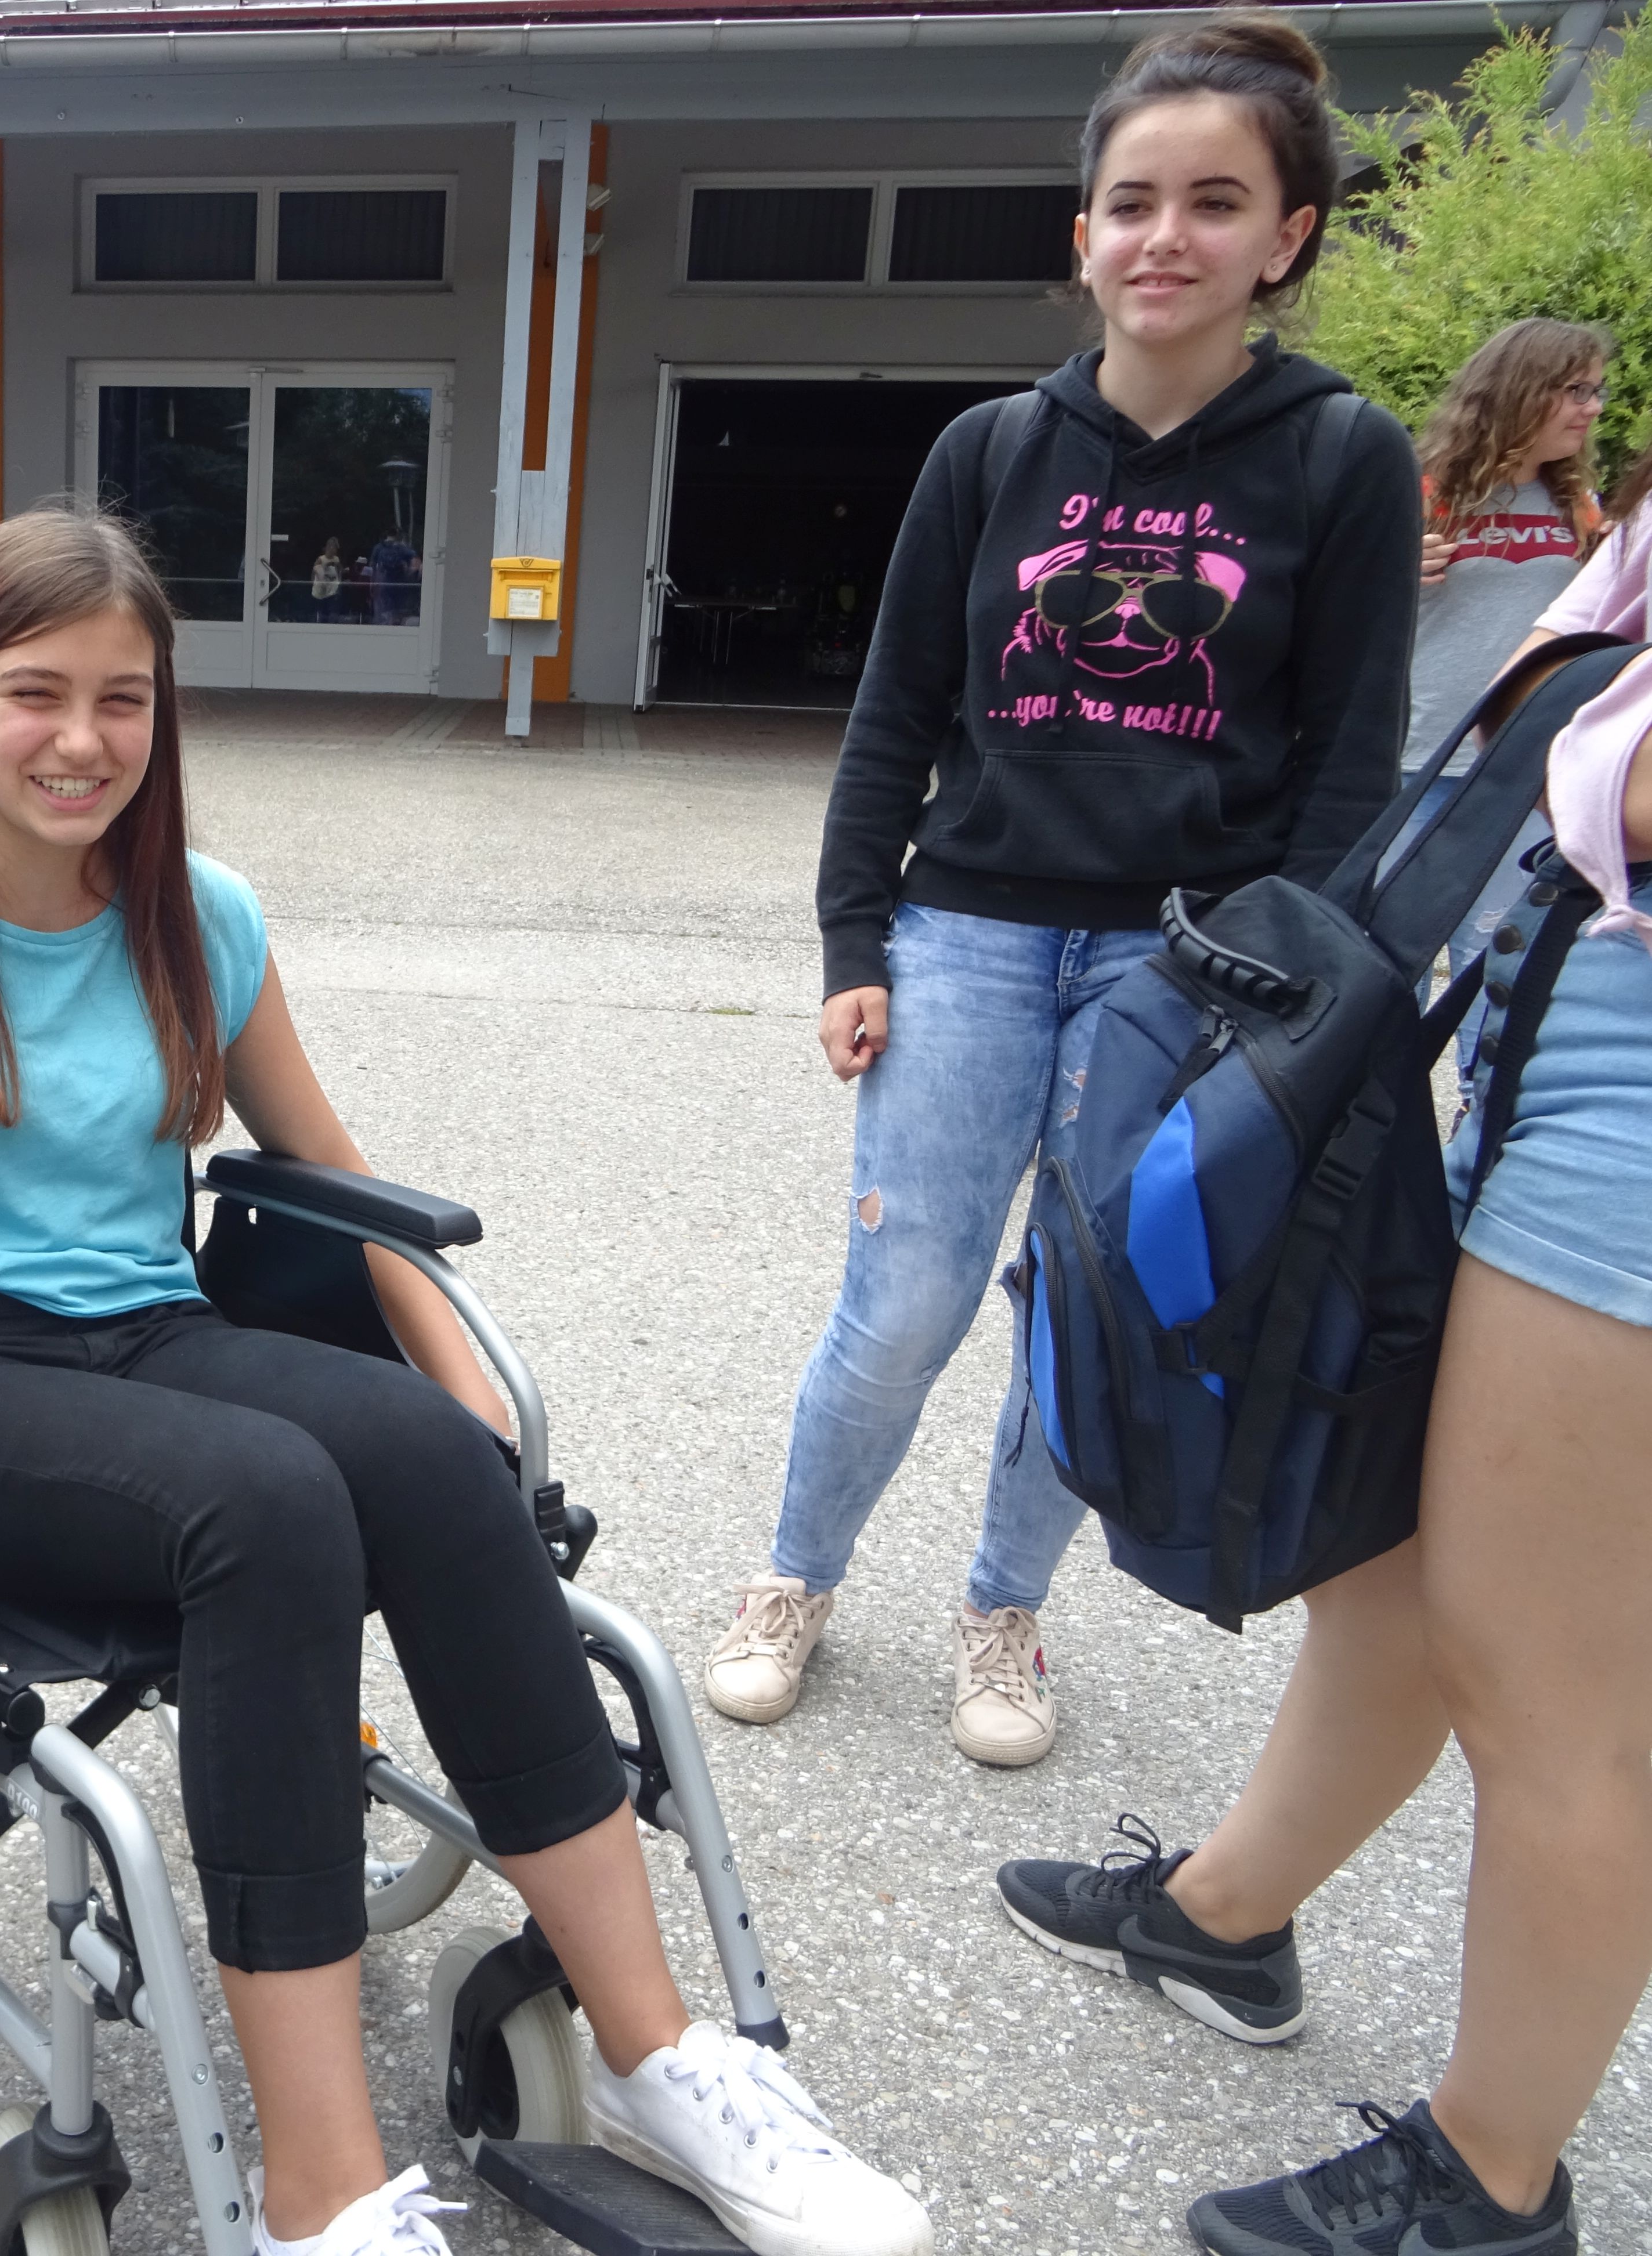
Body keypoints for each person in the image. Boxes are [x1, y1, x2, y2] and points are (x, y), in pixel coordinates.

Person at [0, 507, 934, 2256]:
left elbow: (330, 1174)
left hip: (153, 1332)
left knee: (428, 1464)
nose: (82, 740)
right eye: (35, 693)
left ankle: (657, 2054)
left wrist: (469, 1397)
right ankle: (322, 2198)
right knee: (266, 1505)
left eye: (123, 698)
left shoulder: (199, 919)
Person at [701, 12, 1419, 1768]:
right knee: (907, 1299)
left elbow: (1349, 764)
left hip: (1190, 966)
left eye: (1215, 202)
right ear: (1084, 234)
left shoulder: (1343, 456)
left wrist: (1284, 999)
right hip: (968, 932)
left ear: (1286, 236)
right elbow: (895, 715)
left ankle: (1004, 1609)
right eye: (1134, 203)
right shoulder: (988, 452)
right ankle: (796, 1575)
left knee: (1088, 1306)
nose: (1167, 237)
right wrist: (854, 938)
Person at [992, 451, 1652, 2254]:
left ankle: (1491, 2182)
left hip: (1628, 1099)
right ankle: (1225, 1918)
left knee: (1559, 1690)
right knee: (1396, 1559)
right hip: (1558, 1017)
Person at [1400, 320, 1608, 1069]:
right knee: (1390, 966)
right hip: (1414, 764)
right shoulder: (1418, 495)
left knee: (1500, 967)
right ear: (1520, 390)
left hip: (1526, 772)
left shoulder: (1581, 508)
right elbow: (1330, 622)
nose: (1593, 408)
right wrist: (1390, 575)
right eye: (1576, 390)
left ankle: (1479, 1124)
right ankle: (1375, 1127)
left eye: (1597, 391)